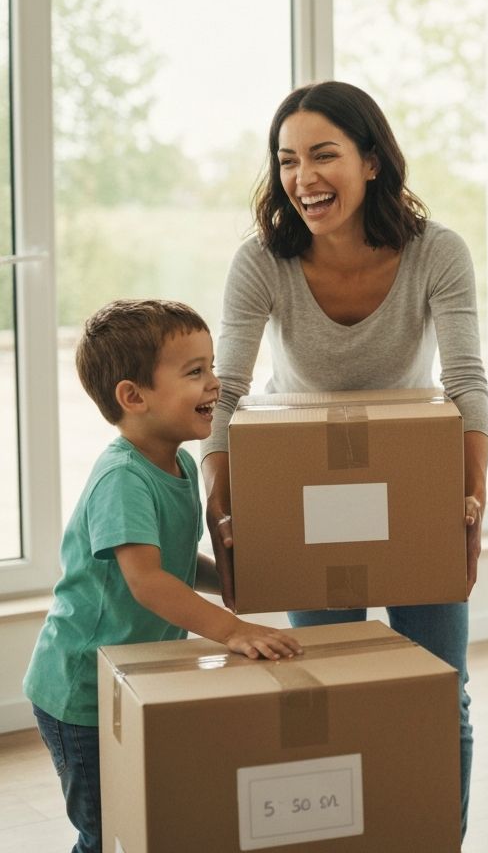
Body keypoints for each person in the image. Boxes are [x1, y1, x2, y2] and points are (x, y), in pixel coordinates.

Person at [200, 81, 488, 837]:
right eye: (288, 160)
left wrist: (472, 502)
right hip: (308, 499)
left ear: (370, 160)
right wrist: (218, 501)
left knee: (439, 690)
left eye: (323, 155)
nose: (303, 178)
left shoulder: (438, 252)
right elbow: (226, 389)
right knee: (326, 686)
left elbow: (465, 383)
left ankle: (436, 837)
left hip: (415, 493)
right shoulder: (263, 260)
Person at [23, 299, 302, 853]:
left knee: (149, 815)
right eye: (195, 372)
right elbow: (147, 581)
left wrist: (228, 579)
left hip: (133, 679)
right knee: (108, 831)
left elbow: (172, 565)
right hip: (82, 695)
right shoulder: (123, 479)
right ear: (134, 397)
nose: (215, 384)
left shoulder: (177, 463)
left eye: (212, 366)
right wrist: (232, 628)